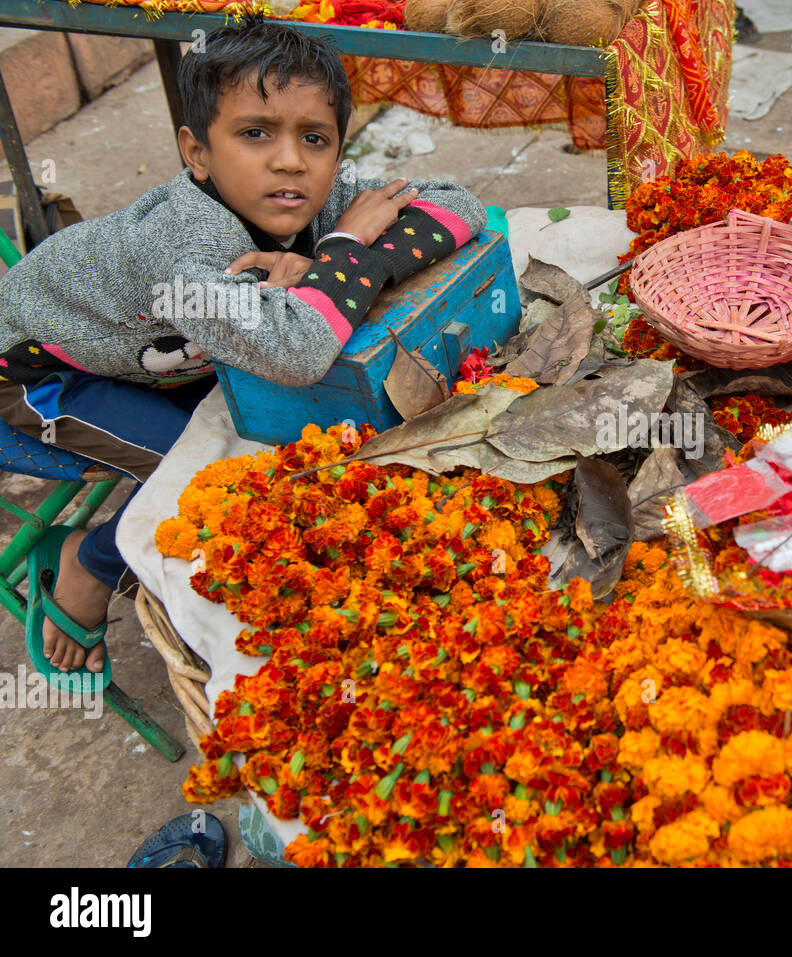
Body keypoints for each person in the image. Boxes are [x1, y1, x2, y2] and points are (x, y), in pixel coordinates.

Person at [0, 16, 487, 677]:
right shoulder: (174, 252)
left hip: (161, 358)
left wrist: (323, 269)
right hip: (36, 375)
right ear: (196, 152)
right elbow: (299, 349)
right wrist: (343, 251)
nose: (289, 159)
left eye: (314, 138)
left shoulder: (309, 190)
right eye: (255, 133)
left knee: (279, 430)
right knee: (208, 478)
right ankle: (89, 563)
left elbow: (460, 205)